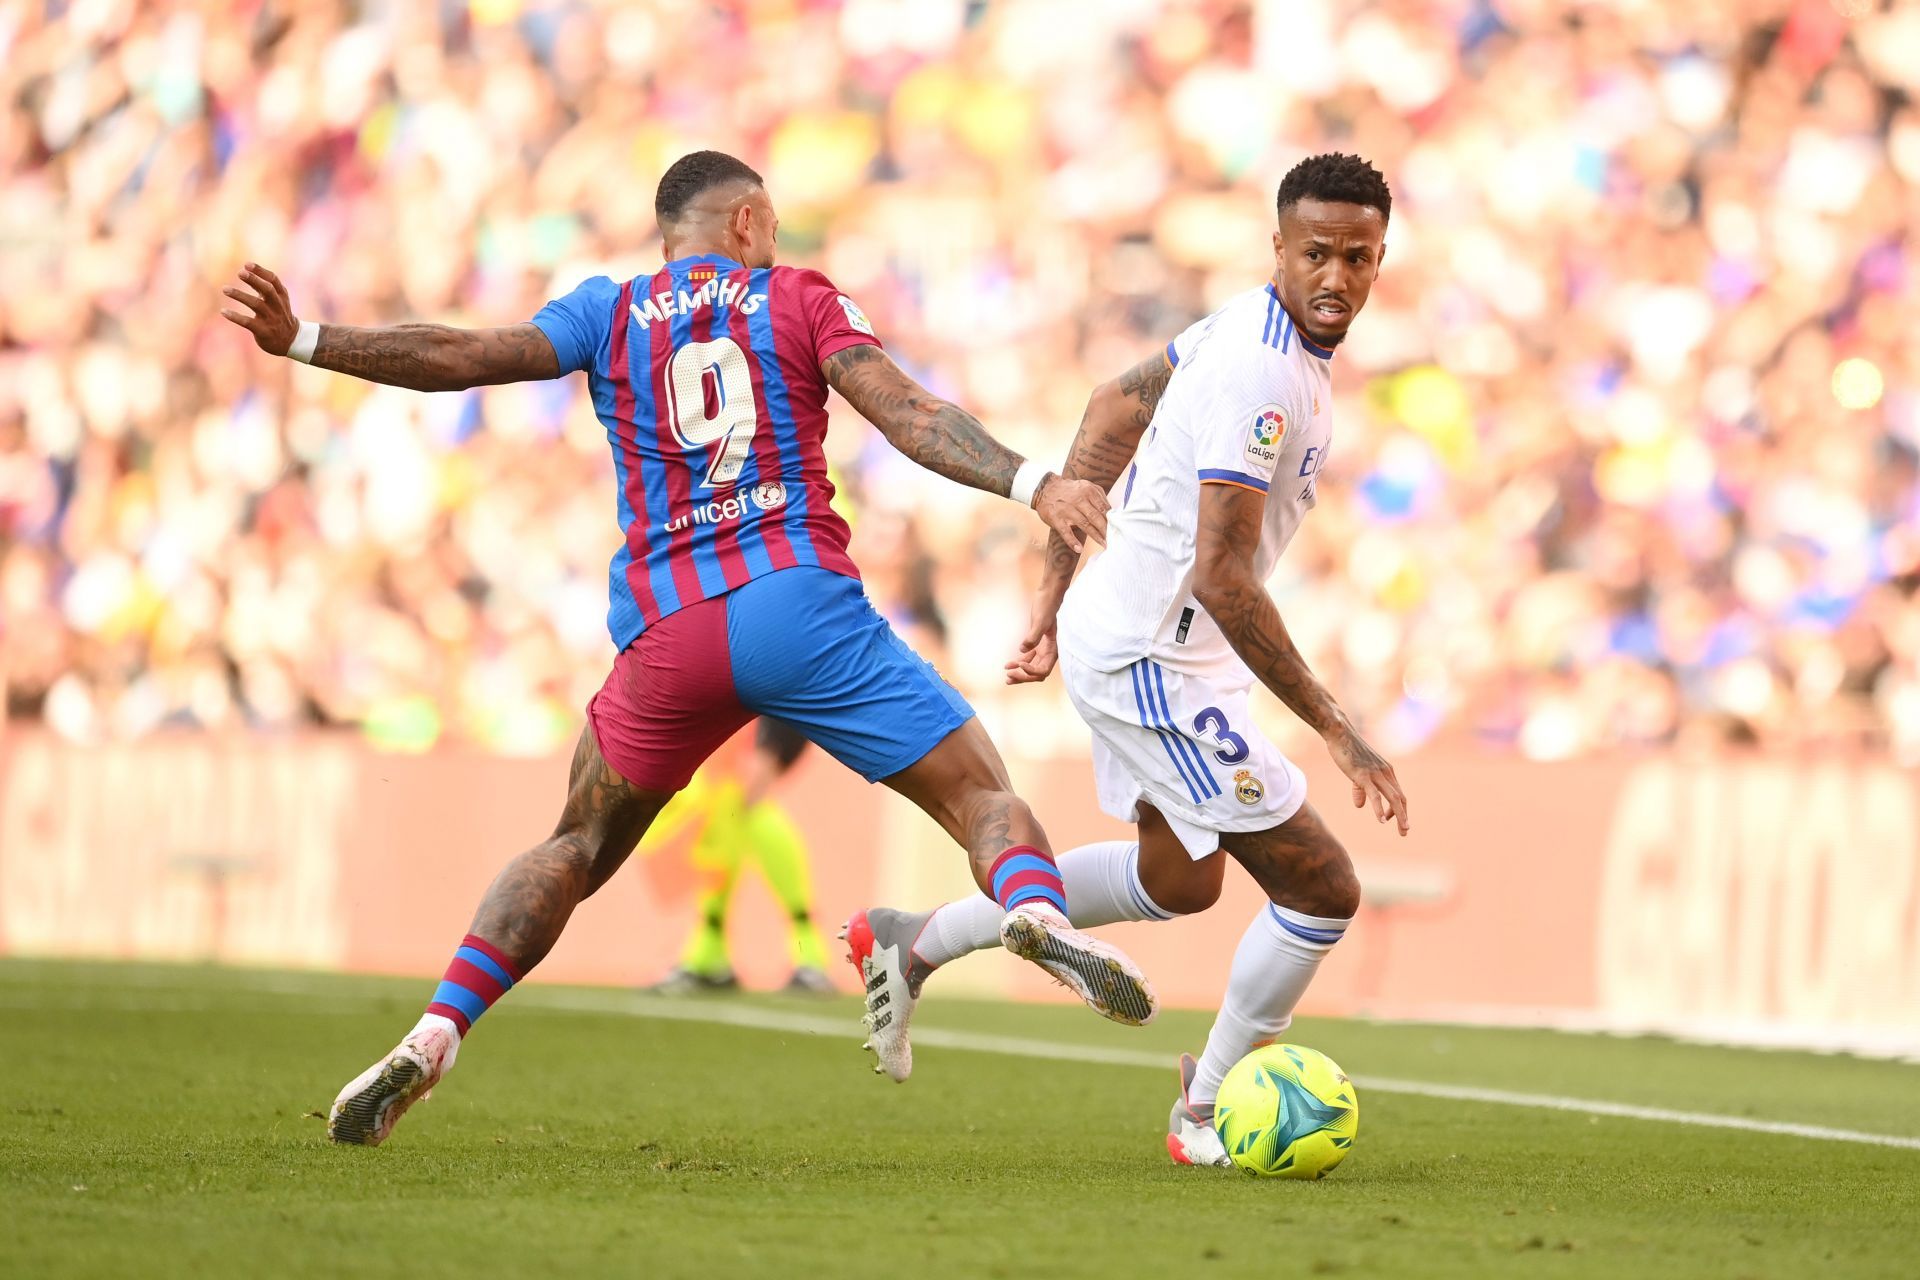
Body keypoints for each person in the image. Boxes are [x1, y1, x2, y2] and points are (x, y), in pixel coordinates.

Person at [219, 149, 1157, 1146]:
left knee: (573, 844)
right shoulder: (794, 296)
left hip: (672, 636)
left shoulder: (606, 311)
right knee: (980, 793)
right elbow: (909, 414)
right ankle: (1039, 916)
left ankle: (435, 1029)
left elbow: (460, 356)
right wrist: (1033, 484)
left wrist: (305, 337)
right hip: (797, 606)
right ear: (747, 221)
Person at [842, 153, 1410, 1166]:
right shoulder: (1258, 374)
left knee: (1181, 879)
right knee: (1321, 886)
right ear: (1276, 249)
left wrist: (1056, 589)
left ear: (1380, 260)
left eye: (1358, 257)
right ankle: (1204, 1112)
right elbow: (1226, 578)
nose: (1336, 276)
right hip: (1158, 657)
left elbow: (1111, 405)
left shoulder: (1242, 329)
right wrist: (1337, 728)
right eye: (1315, 252)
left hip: (1142, 637)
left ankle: (913, 938)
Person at [640, 718, 835, 995]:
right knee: (728, 811)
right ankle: (711, 951)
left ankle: (808, 955)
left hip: (765, 699)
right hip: (741, 719)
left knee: (749, 808)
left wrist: (770, 748)